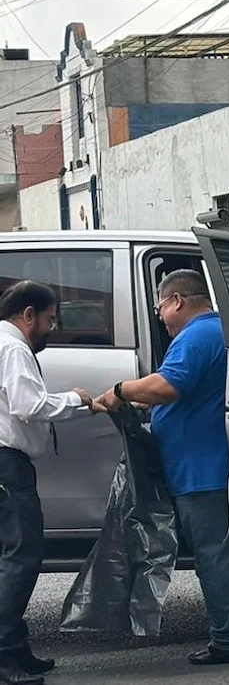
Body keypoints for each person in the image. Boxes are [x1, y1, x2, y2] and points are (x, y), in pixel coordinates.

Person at [97, 270, 229, 666]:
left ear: (176, 300)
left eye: (160, 308)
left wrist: (121, 391)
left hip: (199, 467)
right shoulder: (221, 330)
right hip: (223, 462)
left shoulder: (194, 336)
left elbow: (171, 384)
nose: (160, 317)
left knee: (214, 555)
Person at [0, 281, 103, 685]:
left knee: (13, 558)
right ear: (28, 315)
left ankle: (16, 649)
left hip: (8, 463)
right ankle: (5, 656)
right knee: (22, 558)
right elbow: (29, 406)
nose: (52, 326)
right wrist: (76, 399)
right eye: (49, 318)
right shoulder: (13, 349)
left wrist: (85, 407)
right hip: (9, 465)